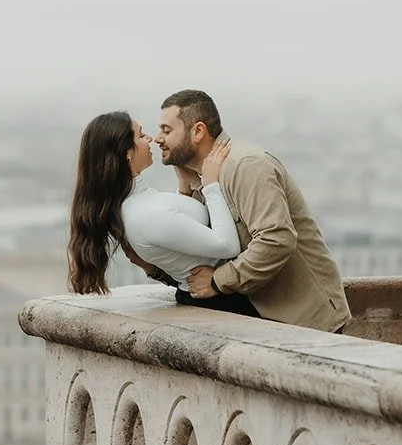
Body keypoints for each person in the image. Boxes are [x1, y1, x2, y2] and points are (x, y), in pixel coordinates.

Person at [156, 89, 350, 333]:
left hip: (304, 320)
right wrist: (185, 190)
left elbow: (276, 239)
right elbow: (195, 254)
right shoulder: (200, 177)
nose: (157, 138)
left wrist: (217, 281)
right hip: (265, 315)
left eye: (166, 130)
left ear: (198, 131)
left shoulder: (246, 166)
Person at [66, 111, 260, 316]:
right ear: (126, 152)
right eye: (141, 136)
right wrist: (211, 184)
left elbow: (174, 233)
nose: (150, 139)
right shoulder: (144, 215)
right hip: (225, 303)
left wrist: (183, 190)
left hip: (216, 297)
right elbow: (228, 245)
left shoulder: (137, 204)